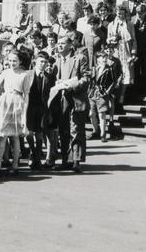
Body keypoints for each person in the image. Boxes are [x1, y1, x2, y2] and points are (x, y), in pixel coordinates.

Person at [49, 33, 90, 172]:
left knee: (76, 130)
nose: (59, 45)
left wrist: (72, 85)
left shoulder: (80, 58)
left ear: (70, 45)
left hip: (76, 99)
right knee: (63, 130)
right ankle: (65, 160)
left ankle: (76, 161)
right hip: (62, 100)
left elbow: (86, 79)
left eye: (62, 43)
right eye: (58, 43)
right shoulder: (57, 61)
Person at [0, 46, 33, 175]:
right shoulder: (6, 72)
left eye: (14, 61)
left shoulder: (24, 74)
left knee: (15, 137)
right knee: (2, 136)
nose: (11, 63)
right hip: (5, 102)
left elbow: (26, 93)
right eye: (9, 61)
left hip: (17, 103)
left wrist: (25, 110)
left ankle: (15, 165)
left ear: (20, 61)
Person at [26, 48, 56, 168]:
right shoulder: (28, 75)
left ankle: (37, 159)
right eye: (41, 62)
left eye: (45, 62)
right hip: (29, 108)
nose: (43, 64)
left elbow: (51, 95)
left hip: (42, 109)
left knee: (39, 135)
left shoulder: (49, 77)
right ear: (35, 62)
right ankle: (33, 153)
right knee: (28, 134)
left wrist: (48, 112)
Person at [89, 41, 123, 142]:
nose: (104, 59)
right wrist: (89, 91)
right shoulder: (94, 69)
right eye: (102, 58)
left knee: (102, 114)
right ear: (98, 59)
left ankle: (103, 134)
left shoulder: (109, 69)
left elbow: (113, 81)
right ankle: (96, 130)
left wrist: (107, 92)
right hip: (93, 94)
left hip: (103, 93)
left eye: (105, 58)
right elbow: (91, 81)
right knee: (91, 114)